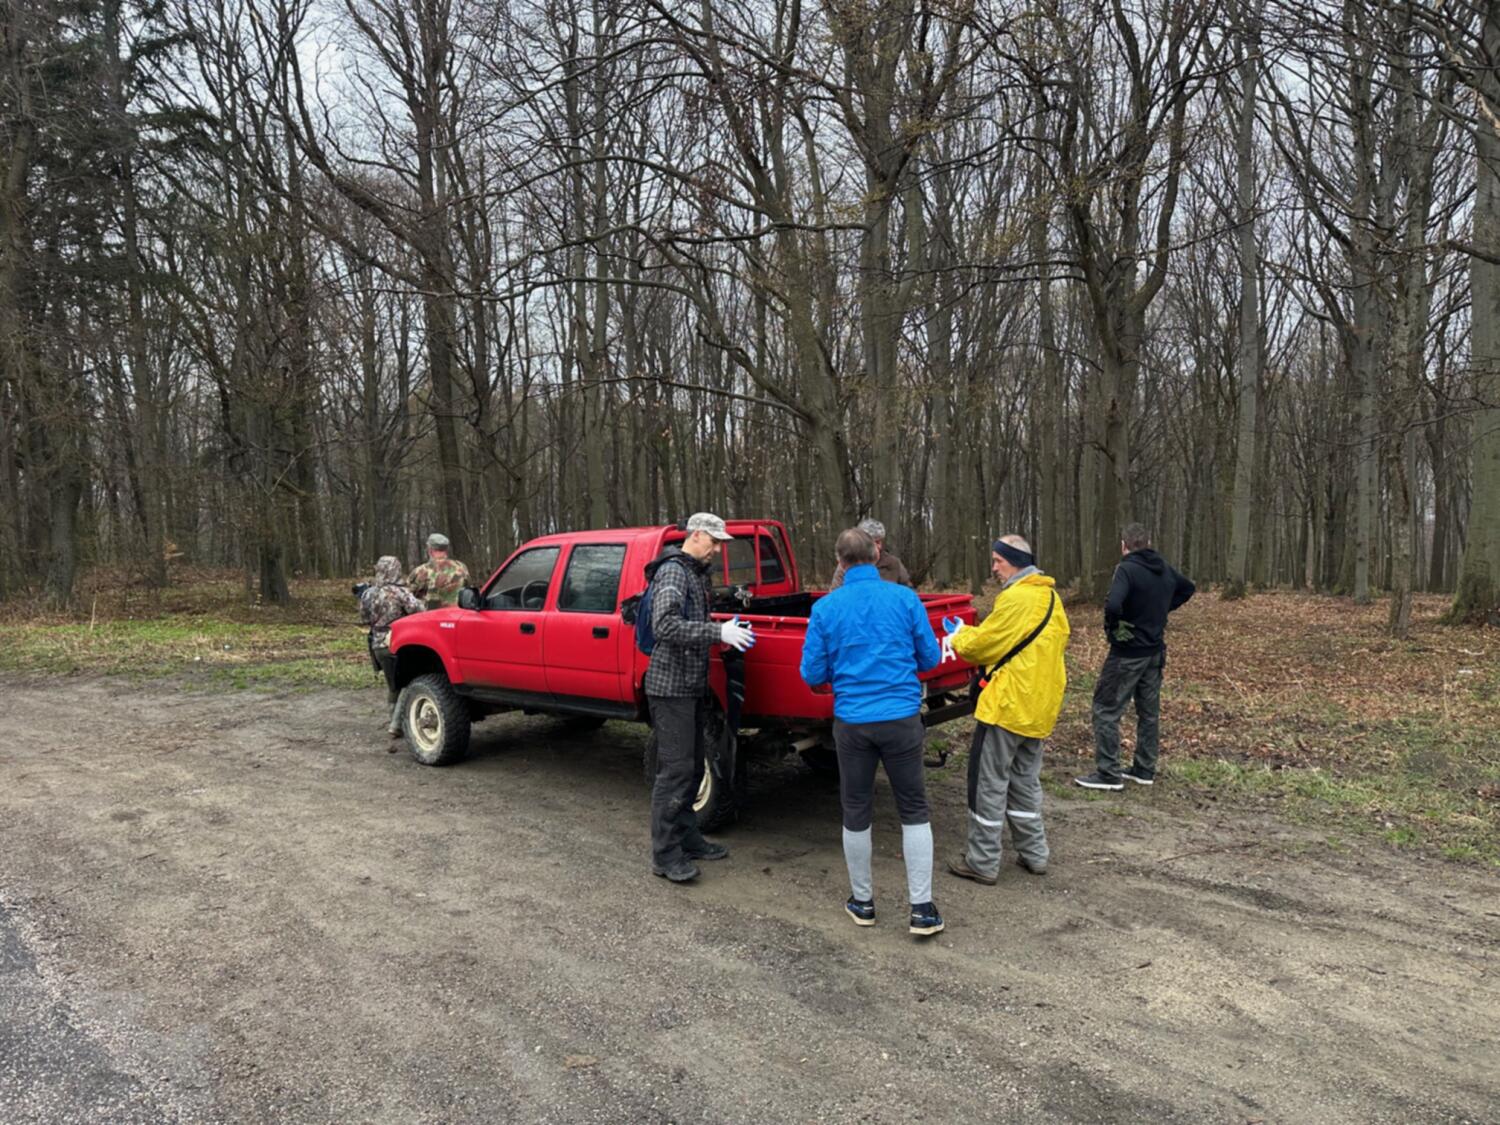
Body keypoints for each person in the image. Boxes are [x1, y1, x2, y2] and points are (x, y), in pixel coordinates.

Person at [800, 527, 945, 937]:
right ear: (876, 555)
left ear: (840, 562)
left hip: (853, 722)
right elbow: (930, 658)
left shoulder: (826, 608)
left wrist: (840, 674)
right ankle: (922, 909)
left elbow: (812, 672)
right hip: (901, 718)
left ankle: (863, 903)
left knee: (856, 809)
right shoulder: (905, 599)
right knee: (913, 809)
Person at [943, 535, 1071, 884]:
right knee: (1024, 782)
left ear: (1014, 561)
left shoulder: (1016, 598)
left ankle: (982, 861)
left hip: (1006, 707)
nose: (994, 568)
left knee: (988, 783)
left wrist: (959, 636)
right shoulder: (1050, 598)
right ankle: (1035, 854)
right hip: (1038, 708)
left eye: (998, 561)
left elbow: (985, 646)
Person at [645, 512, 757, 883]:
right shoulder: (674, 572)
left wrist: (722, 630)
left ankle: (688, 838)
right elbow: (665, 625)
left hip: (691, 685)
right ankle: (665, 854)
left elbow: (690, 621)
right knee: (675, 772)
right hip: (669, 688)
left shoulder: (695, 573)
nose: (717, 550)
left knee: (693, 768)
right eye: (714, 541)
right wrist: (717, 633)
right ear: (695, 535)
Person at [1076, 523, 1196, 791]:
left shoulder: (1126, 569)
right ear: (1148, 542)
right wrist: (1162, 609)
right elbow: (1187, 588)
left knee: (1105, 709)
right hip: (1154, 652)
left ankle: (1108, 773)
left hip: (1127, 654)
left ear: (1124, 545)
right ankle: (1144, 769)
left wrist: (1114, 627)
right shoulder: (1164, 568)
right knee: (1148, 713)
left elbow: (1113, 604)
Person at [359, 556, 425, 744]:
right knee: (407, 682)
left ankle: (395, 722)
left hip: (377, 646)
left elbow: (364, 618)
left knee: (393, 685)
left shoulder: (368, 594)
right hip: (397, 643)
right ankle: (396, 725)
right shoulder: (400, 592)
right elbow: (419, 610)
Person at [829, 518, 913, 589]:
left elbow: (908, 590)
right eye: (875, 542)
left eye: (879, 541)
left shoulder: (893, 563)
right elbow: (836, 593)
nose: (879, 546)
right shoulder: (846, 565)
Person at [406, 533, 471, 609]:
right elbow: (468, 590)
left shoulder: (421, 571)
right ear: (446, 550)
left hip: (432, 615)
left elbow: (407, 596)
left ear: (430, 550)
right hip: (458, 614)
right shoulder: (461, 567)